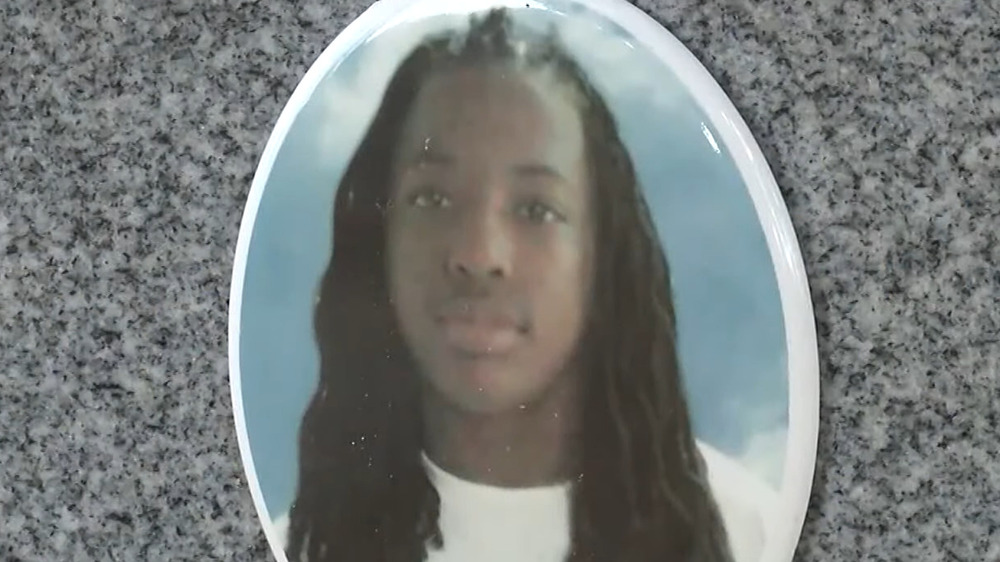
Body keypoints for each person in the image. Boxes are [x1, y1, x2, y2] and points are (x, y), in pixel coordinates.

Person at [272, 8, 774, 562]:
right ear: (379, 238)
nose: (479, 255)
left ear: (602, 258)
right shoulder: (298, 546)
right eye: (432, 199)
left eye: (536, 208)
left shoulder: (746, 534)